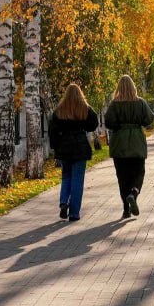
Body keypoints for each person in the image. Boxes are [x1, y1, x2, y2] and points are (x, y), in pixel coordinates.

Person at [104, 74, 154, 219]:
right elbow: (149, 119)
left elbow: (108, 122)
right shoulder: (140, 103)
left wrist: (119, 126)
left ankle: (126, 209)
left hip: (120, 144)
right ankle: (134, 193)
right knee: (139, 172)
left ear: (119, 88)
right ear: (133, 87)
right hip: (137, 142)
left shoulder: (114, 104)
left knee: (122, 177)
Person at [48, 84, 99, 222]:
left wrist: (55, 146)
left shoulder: (60, 109)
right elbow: (94, 123)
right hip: (80, 147)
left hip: (64, 147)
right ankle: (74, 213)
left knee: (66, 176)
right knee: (77, 179)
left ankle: (64, 202)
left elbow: (52, 129)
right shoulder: (84, 108)